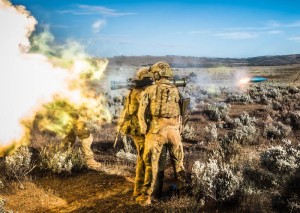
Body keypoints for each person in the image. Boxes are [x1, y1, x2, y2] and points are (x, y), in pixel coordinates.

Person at [137, 61, 186, 205]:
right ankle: (183, 193)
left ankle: (146, 197)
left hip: (156, 131)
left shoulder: (149, 90)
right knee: (179, 164)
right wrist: (178, 128)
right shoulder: (175, 90)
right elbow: (180, 113)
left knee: (151, 165)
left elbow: (141, 113)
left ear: (157, 74)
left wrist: (144, 128)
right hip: (173, 132)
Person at [117, 67, 152, 199]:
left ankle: (139, 188)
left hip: (133, 128)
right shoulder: (141, 92)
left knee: (142, 157)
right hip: (139, 129)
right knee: (145, 159)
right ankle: (140, 191)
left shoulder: (134, 90)